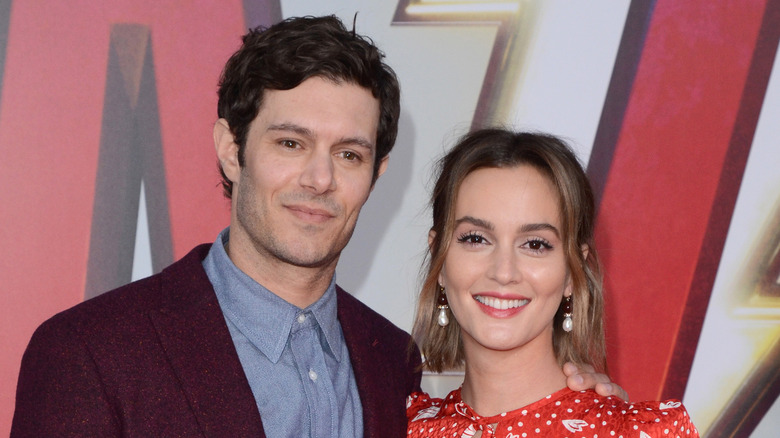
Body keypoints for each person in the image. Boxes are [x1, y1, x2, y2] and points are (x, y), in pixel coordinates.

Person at [12, 16, 623, 437]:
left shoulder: (392, 363)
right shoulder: (89, 354)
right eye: (290, 142)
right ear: (231, 148)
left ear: (377, 173)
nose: (320, 179)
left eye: (349, 154)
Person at [407, 129, 699, 438]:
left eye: (535, 244)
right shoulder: (397, 426)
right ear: (438, 257)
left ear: (573, 272)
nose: (503, 272)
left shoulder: (638, 433)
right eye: (476, 238)